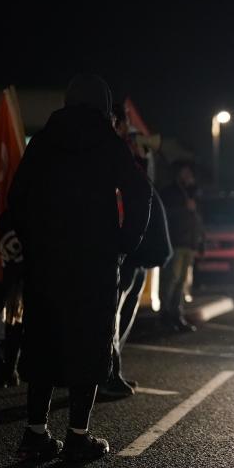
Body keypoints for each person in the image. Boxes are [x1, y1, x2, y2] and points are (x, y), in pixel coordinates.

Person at [8, 75, 151, 462]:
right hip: (95, 260)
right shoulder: (109, 144)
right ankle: (77, 435)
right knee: (88, 341)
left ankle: (34, 434)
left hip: (47, 260)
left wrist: (33, 239)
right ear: (103, 106)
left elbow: (16, 196)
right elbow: (140, 192)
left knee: (43, 341)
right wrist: (124, 243)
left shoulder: (43, 141)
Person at [98, 103, 172, 399]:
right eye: (122, 123)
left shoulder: (130, 151)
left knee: (124, 310)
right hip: (123, 244)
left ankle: (114, 367)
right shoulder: (109, 150)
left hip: (136, 247)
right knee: (112, 312)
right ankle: (106, 372)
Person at [159, 160, 204, 333]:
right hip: (176, 241)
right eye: (185, 172)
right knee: (172, 278)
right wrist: (182, 207)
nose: (188, 176)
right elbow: (166, 214)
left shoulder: (194, 192)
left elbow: (198, 218)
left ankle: (176, 314)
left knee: (182, 281)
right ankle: (165, 315)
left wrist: (199, 241)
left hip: (189, 243)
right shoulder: (170, 192)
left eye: (189, 173)